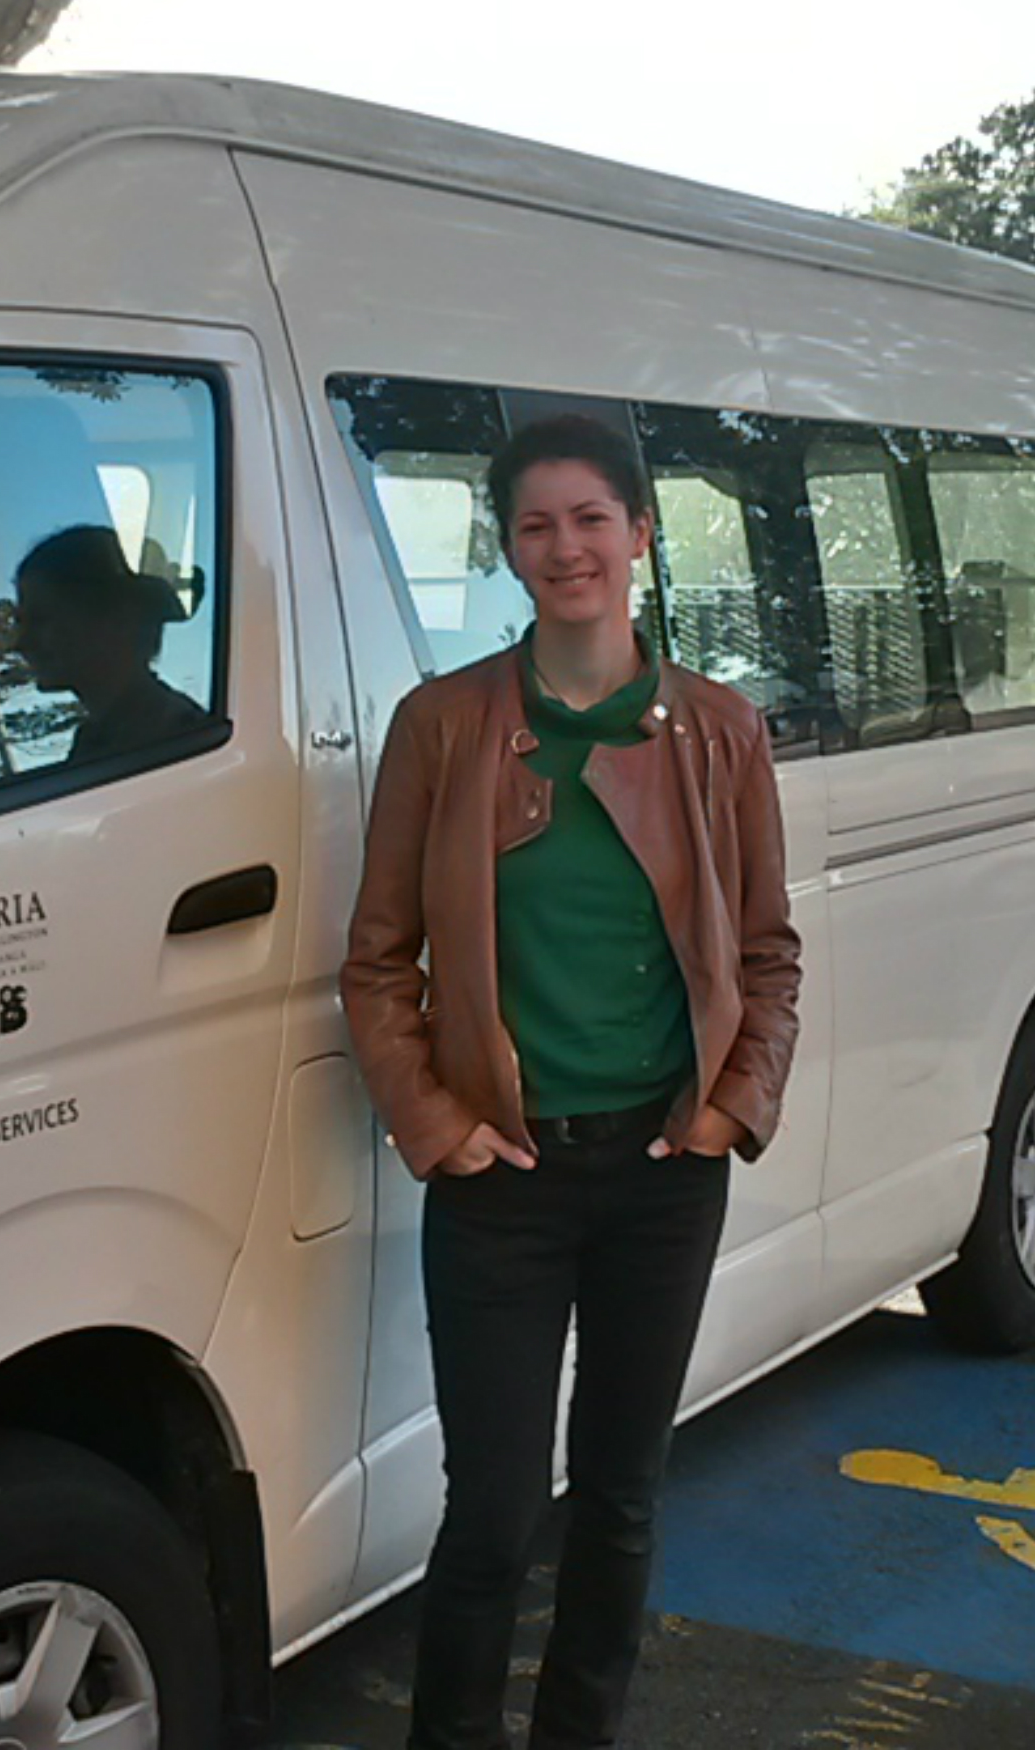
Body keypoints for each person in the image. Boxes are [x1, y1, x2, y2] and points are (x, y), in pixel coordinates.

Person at [340, 411, 801, 1750]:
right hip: (504, 1179)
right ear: (509, 548)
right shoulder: (442, 727)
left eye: (592, 519)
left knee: (622, 1495)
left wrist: (731, 1105)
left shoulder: (720, 731)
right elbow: (377, 965)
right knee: (490, 1514)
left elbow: (768, 954)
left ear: (642, 535)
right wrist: (438, 1126)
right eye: (536, 524)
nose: (566, 548)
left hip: (665, 1174)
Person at [11, 524, 209, 763]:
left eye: (41, 619)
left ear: (116, 620)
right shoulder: (103, 739)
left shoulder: (173, 743)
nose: (21, 643)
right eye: (21, 623)